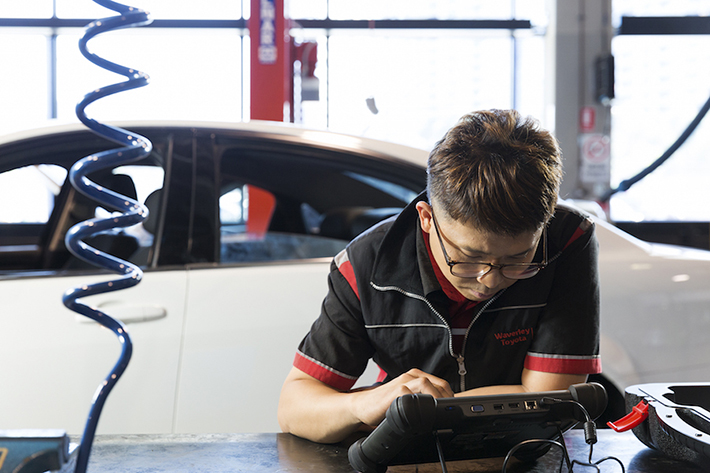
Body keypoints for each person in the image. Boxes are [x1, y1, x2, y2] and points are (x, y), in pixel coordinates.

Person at [278, 109, 601, 444]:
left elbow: (551, 400)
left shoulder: (568, 240)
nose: (489, 280)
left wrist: (412, 414)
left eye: (517, 258)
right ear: (426, 218)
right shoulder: (366, 265)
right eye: (469, 258)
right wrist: (365, 403)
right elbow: (294, 408)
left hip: (522, 453)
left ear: (544, 226)